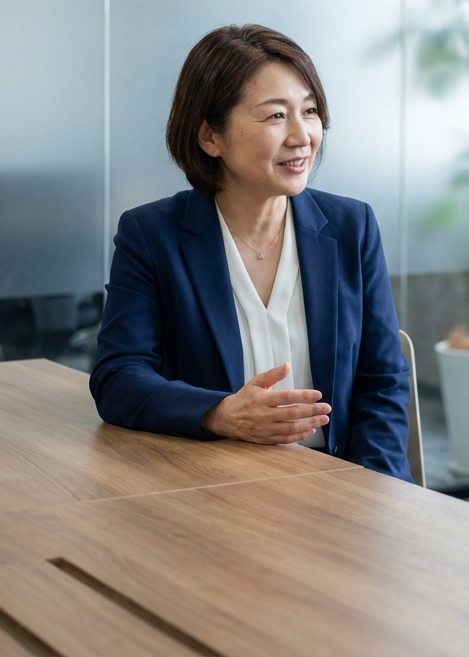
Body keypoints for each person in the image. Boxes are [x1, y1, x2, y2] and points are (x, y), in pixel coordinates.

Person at [91, 24, 412, 481]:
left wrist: (368, 492)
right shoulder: (151, 235)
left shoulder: (351, 227)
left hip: (343, 481)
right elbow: (118, 377)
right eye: (276, 116)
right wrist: (219, 413)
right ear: (210, 137)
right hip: (214, 487)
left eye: (310, 111)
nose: (303, 136)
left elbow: (382, 383)